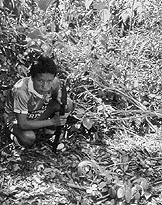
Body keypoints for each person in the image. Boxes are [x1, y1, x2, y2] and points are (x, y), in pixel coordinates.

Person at [3, 55, 74, 148]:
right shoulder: (21, 91)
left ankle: (49, 133)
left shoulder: (54, 82)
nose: (45, 86)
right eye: (40, 81)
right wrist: (52, 121)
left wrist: (59, 96)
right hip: (18, 119)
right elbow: (23, 124)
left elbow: (58, 91)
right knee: (28, 138)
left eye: (49, 81)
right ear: (32, 78)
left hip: (37, 112)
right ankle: (11, 134)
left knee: (67, 105)